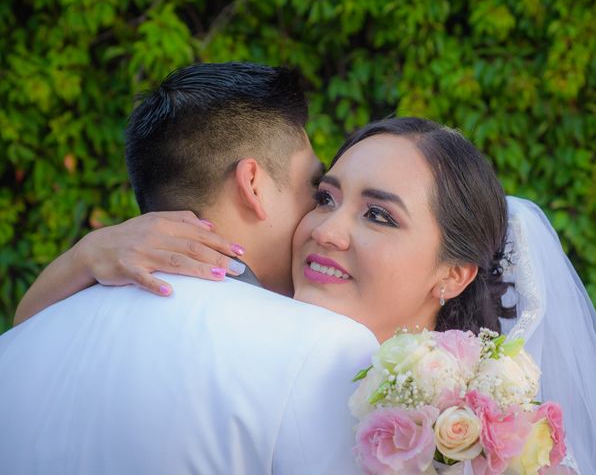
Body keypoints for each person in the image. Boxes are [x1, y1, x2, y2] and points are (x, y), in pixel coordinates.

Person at [13, 114, 596, 469]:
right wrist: (86, 255)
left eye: (380, 216)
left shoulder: (478, 436)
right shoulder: (281, 351)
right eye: (325, 197)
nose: (326, 231)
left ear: (452, 274)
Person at [0, 62, 380, 474]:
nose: (320, 218)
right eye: (315, 190)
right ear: (252, 184)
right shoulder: (323, 346)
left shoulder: (18, 344)